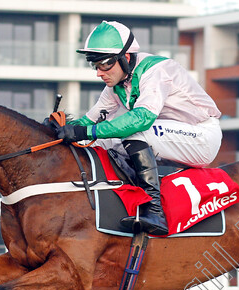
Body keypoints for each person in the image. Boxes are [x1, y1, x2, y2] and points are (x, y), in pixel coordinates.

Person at [52, 21, 222, 236]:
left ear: (126, 57)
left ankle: (154, 210)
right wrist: (61, 128)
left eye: (104, 64)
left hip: (201, 136)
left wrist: (87, 131)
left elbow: (143, 118)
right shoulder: (116, 85)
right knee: (100, 142)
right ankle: (124, 197)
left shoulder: (157, 71)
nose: (99, 72)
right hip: (170, 137)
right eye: (94, 65)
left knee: (133, 132)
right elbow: (90, 121)